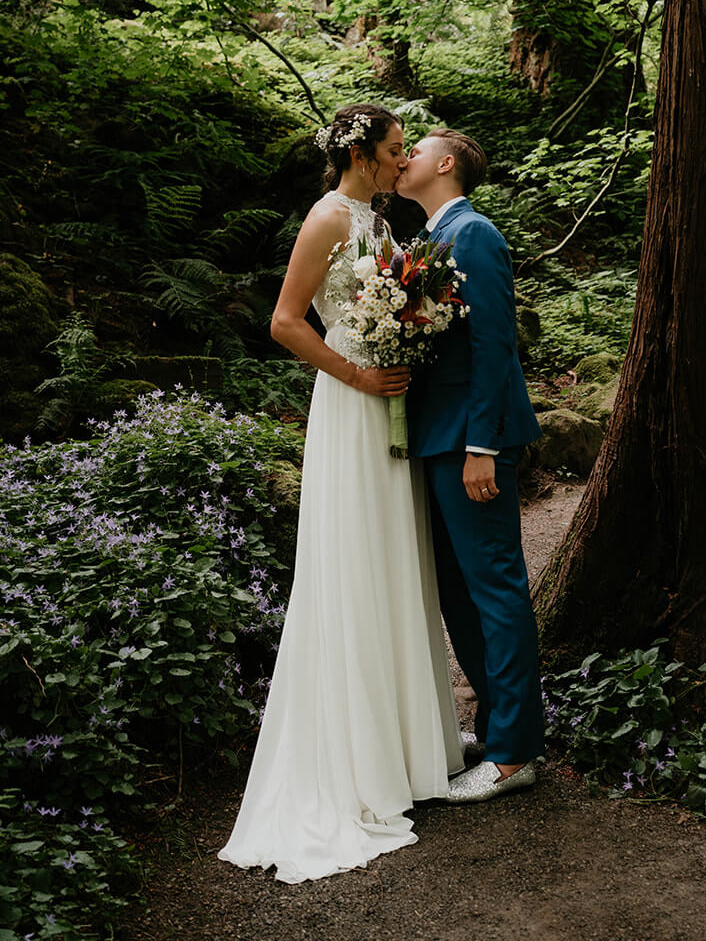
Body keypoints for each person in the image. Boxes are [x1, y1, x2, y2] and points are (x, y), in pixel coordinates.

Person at [218, 104, 464, 884]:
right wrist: (357, 371)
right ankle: (353, 766)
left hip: (388, 398)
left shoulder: (379, 219)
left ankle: (404, 753)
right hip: (351, 404)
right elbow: (286, 322)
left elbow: (391, 299)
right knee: (354, 566)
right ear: (359, 151)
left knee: (394, 562)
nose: (401, 163)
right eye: (394, 152)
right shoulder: (328, 217)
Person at [397, 127, 545, 804]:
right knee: (456, 591)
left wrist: (483, 444)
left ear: (446, 164)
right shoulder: (427, 238)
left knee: (493, 586)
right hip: (435, 434)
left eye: (416, 151)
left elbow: (493, 343)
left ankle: (515, 754)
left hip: (470, 438)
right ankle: (494, 724)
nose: (405, 160)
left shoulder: (474, 233)